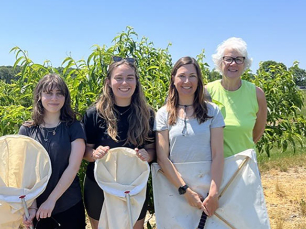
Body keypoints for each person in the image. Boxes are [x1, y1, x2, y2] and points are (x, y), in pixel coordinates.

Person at [82, 56, 155, 229]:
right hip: (99, 185)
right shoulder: (94, 114)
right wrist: (93, 154)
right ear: (108, 82)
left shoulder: (148, 114)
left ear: (136, 82)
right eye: (119, 78)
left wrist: (148, 155)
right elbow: (85, 151)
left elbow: (152, 150)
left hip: (134, 185)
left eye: (130, 78)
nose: (124, 83)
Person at [154, 56, 225, 218]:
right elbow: (162, 158)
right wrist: (185, 191)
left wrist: (213, 193)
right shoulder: (163, 114)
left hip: (208, 191)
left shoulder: (213, 111)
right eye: (182, 76)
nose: (187, 81)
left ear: (199, 80)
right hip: (176, 190)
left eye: (192, 76)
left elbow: (218, 154)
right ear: (173, 79)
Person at [19, 74, 86, 229]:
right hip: (37, 208)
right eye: (49, 93)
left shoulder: (74, 127)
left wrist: (51, 200)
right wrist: (32, 205)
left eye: (59, 93)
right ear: (39, 96)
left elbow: (73, 167)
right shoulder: (27, 130)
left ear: (65, 97)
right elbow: (25, 170)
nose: (54, 98)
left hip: (68, 204)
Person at [205, 37, 267, 158]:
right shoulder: (206, 92)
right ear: (220, 62)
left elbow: (258, 132)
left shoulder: (257, 94)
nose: (233, 63)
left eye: (238, 59)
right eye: (228, 59)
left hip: (245, 165)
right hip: (212, 167)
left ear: (245, 64)